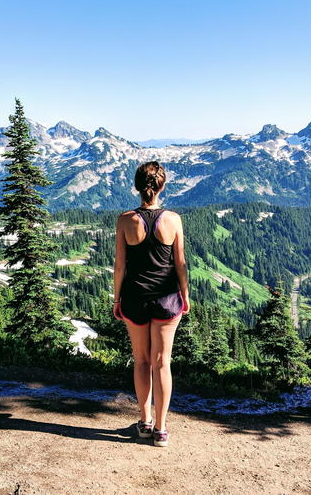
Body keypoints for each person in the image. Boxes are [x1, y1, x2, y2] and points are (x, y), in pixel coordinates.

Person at [113, 160, 190, 447]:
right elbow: (180, 264)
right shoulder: (173, 219)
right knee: (162, 363)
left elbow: (120, 266)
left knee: (142, 361)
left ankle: (143, 423)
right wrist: (185, 295)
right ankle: (161, 429)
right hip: (167, 299)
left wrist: (117, 298)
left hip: (134, 297)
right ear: (162, 186)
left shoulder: (125, 220)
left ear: (137, 186)